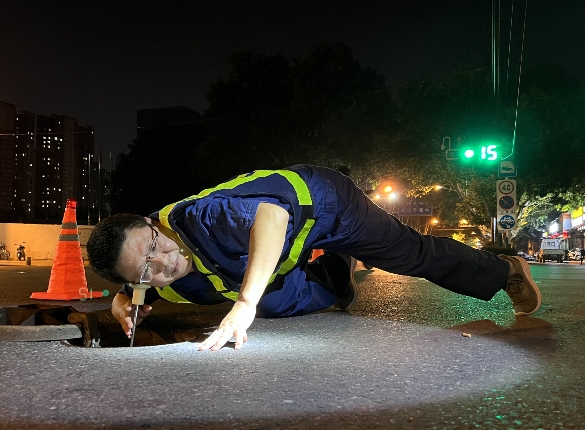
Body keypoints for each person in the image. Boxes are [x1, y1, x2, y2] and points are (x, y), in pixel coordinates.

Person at [87, 164, 541, 351]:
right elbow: (134, 279)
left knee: (409, 255)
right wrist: (125, 299)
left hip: (326, 206)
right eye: (147, 269)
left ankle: (503, 272)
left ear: (151, 224)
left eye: (154, 245)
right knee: (272, 302)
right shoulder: (148, 271)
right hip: (286, 243)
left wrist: (243, 304)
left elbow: (270, 217)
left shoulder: (201, 218)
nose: (163, 261)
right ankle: (336, 273)